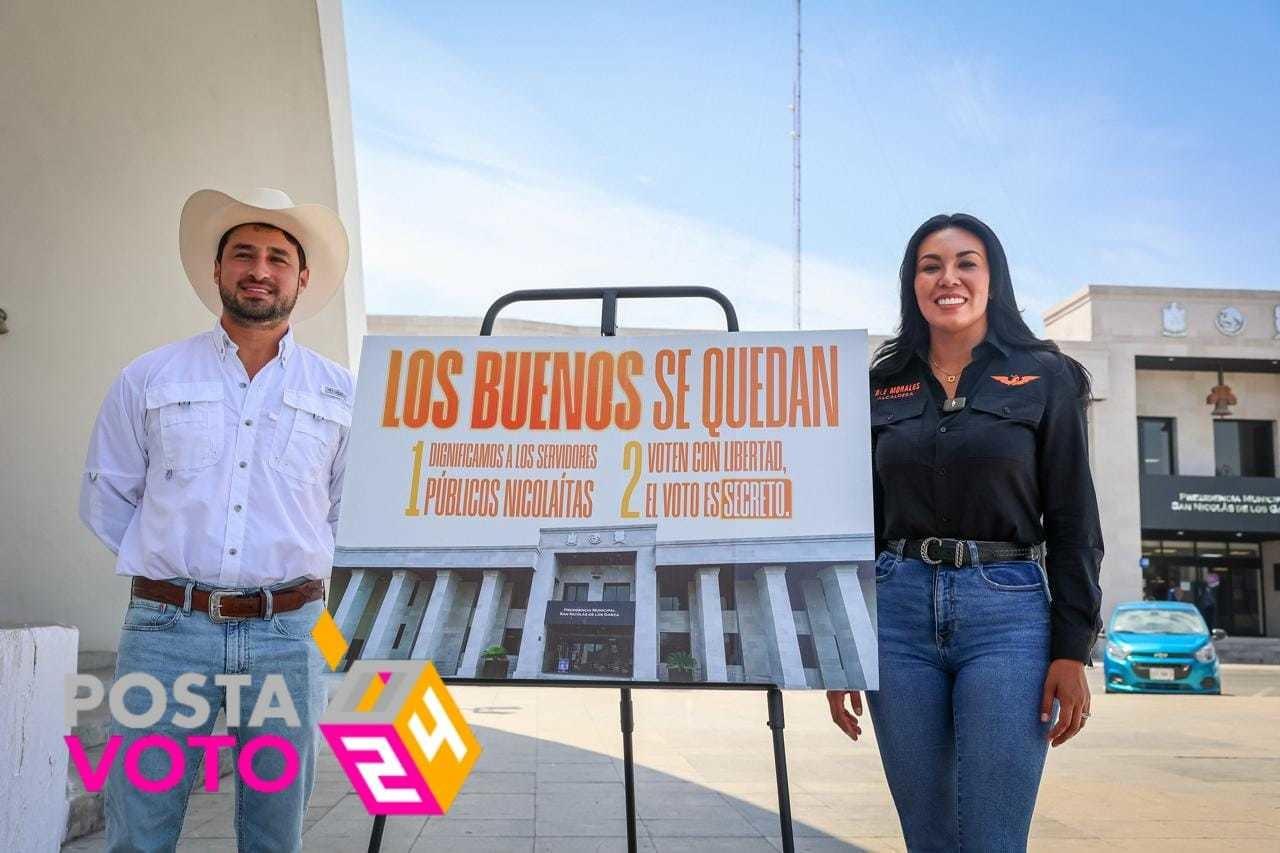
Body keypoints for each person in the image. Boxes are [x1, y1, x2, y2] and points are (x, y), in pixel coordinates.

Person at [80, 187, 353, 852]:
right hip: (166, 633)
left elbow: (344, 512)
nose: (260, 269)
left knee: (273, 831)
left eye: (277, 257)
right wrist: (180, 576)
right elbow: (106, 497)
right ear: (217, 270)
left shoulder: (340, 393)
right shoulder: (149, 376)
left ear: (302, 277)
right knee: (139, 827)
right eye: (243, 254)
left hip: (289, 636)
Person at [826, 213, 1103, 851]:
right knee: (927, 837)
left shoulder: (1045, 376)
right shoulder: (876, 385)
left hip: (1007, 617)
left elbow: (1073, 521)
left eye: (966, 262)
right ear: (912, 284)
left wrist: (1071, 647)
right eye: (931, 266)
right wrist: (842, 643)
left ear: (992, 279)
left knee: (992, 838)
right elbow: (854, 524)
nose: (948, 278)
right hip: (895, 618)